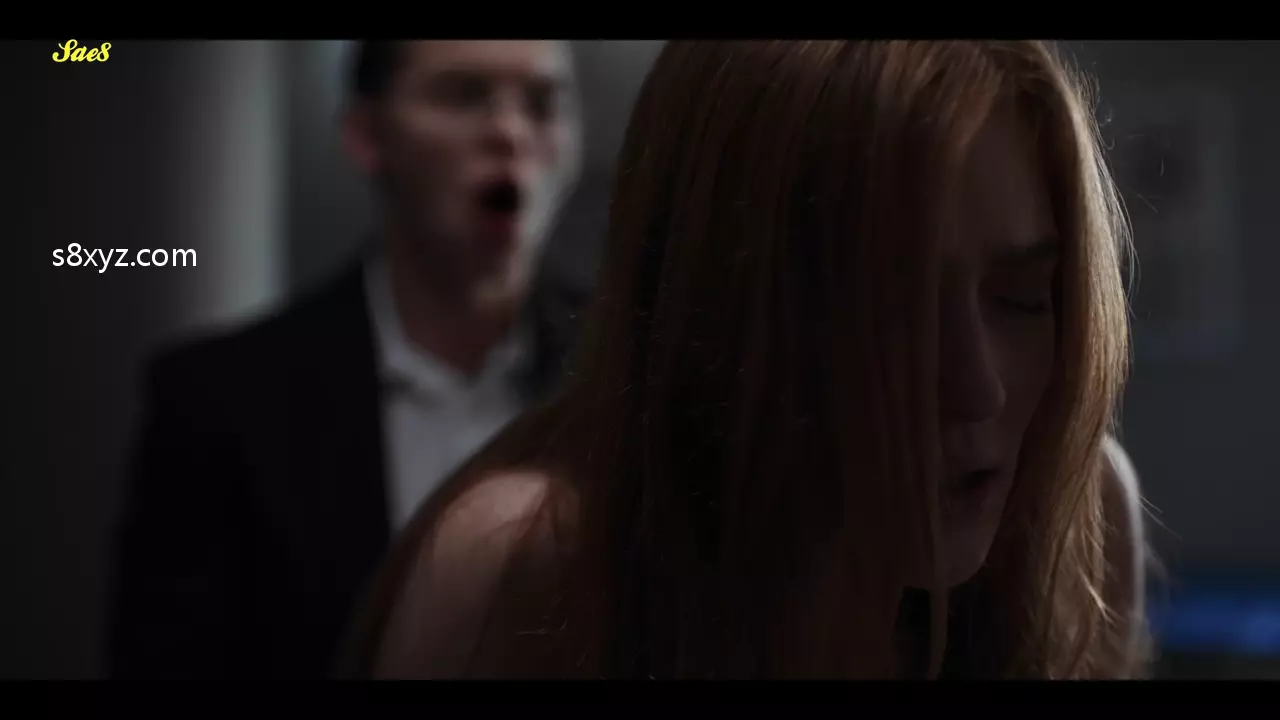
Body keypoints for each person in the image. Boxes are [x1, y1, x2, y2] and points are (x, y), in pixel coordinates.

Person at [345, 40, 1149, 680]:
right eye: (894, 312)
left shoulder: (1073, 522)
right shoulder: (531, 569)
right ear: (724, 300)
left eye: (1023, 298)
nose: (978, 388)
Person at [107, 40, 584, 678]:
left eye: (543, 102)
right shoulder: (219, 402)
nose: (510, 131)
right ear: (366, 134)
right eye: (463, 95)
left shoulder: (630, 371)